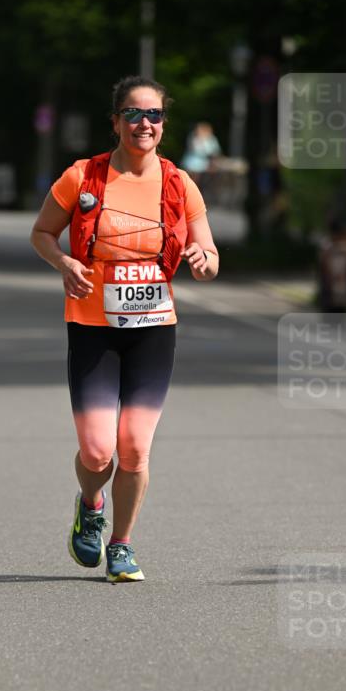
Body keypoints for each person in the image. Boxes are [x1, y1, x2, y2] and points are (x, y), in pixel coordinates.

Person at [31, 75, 219, 583]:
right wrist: (64, 263)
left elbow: (209, 250)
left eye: (154, 115)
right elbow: (42, 233)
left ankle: (121, 544)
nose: (145, 123)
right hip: (92, 328)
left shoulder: (180, 183)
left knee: (134, 446)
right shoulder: (81, 177)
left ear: (164, 124)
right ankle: (90, 504)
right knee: (98, 450)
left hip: (153, 329)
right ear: (115, 122)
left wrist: (204, 258)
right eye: (134, 114)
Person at [180, 122, 222, 187]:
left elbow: (216, 151)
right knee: (192, 179)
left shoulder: (212, 139)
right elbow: (197, 150)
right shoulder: (193, 138)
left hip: (208, 164)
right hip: (193, 164)